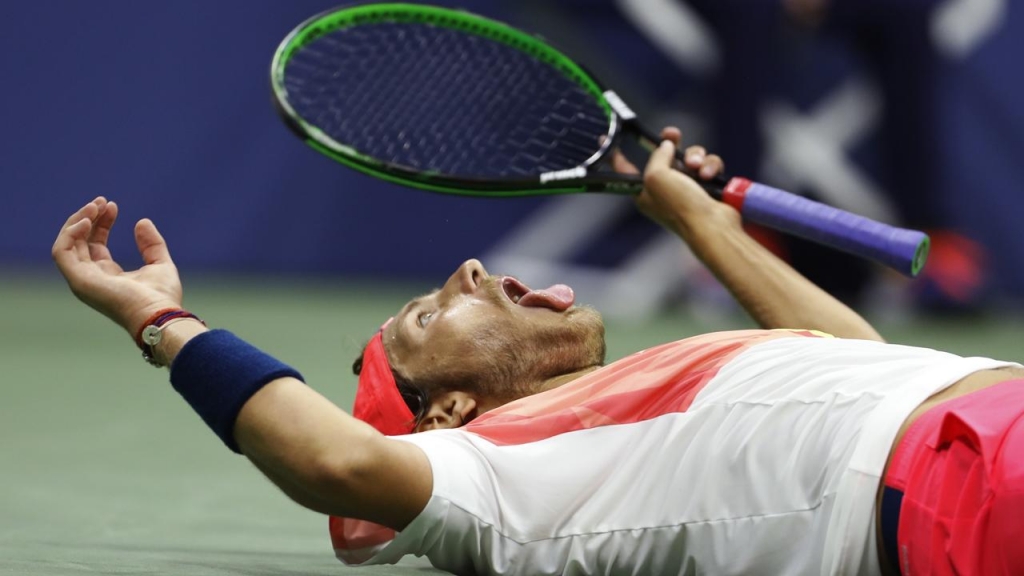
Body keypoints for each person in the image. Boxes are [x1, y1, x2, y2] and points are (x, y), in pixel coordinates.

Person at [52, 129, 1023, 576]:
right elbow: (334, 461)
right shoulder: (502, 479)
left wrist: (689, 216)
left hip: (977, 433)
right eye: (432, 316)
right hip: (969, 488)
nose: (467, 269)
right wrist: (160, 323)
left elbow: (854, 356)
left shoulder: (642, 405)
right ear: (448, 413)